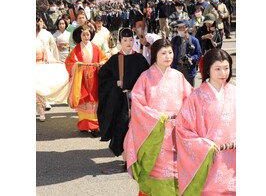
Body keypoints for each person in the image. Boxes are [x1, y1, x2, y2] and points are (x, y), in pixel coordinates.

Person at [124, 39, 193, 196]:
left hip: (177, 132)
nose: (168, 56)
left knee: (177, 170)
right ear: (155, 55)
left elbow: (191, 101)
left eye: (170, 52)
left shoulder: (178, 76)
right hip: (153, 134)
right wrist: (160, 117)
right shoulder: (145, 77)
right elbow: (138, 106)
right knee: (157, 169)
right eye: (163, 53)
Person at [176, 49, 236, 195]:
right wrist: (204, 145)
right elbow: (182, 129)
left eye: (226, 68)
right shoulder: (196, 97)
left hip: (234, 160)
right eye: (218, 69)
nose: (223, 73)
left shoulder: (235, 92)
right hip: (209, 159)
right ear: (208, 70)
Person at [97, 28, 150, 173]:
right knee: (123, 129)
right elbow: (103, 77)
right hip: (121, 102)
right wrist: (115, 84)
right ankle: (126, 160)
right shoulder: (115, 59)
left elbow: (148, 78)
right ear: (120, 42)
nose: (128, 43)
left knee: (139, 129)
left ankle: (139, 158)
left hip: (138, 102)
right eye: (125, 40)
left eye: (131, 40)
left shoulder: (140, 59)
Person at [64, 25, 108, 134]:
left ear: (91, 35)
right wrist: (77, 65)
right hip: (82, 78)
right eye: (83, 34)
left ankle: (94, 126)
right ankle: (84, 125)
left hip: (94, 77)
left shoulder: (96, 47)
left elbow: (104, 58)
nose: (86, 36)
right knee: (84, 100)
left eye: (88, 34)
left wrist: (102, 63)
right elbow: (69, 62)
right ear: (79, 36)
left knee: (94, 101)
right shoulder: (76, 49)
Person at [36, 22, 70, 122]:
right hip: (37, 66)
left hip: (39, 67)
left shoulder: (40, 42)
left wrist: (56, 61)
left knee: (39, 92)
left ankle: (41, 112)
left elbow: (47, 56)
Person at [171, 20, 202, 87]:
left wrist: (192, 58)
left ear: (187, 28)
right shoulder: (174, 40)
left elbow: (199, 54)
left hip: (189, 68)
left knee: (190, 89)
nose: (180, 30)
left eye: (182, 27)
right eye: (178, 28)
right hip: (177, 67)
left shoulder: (194, 41)